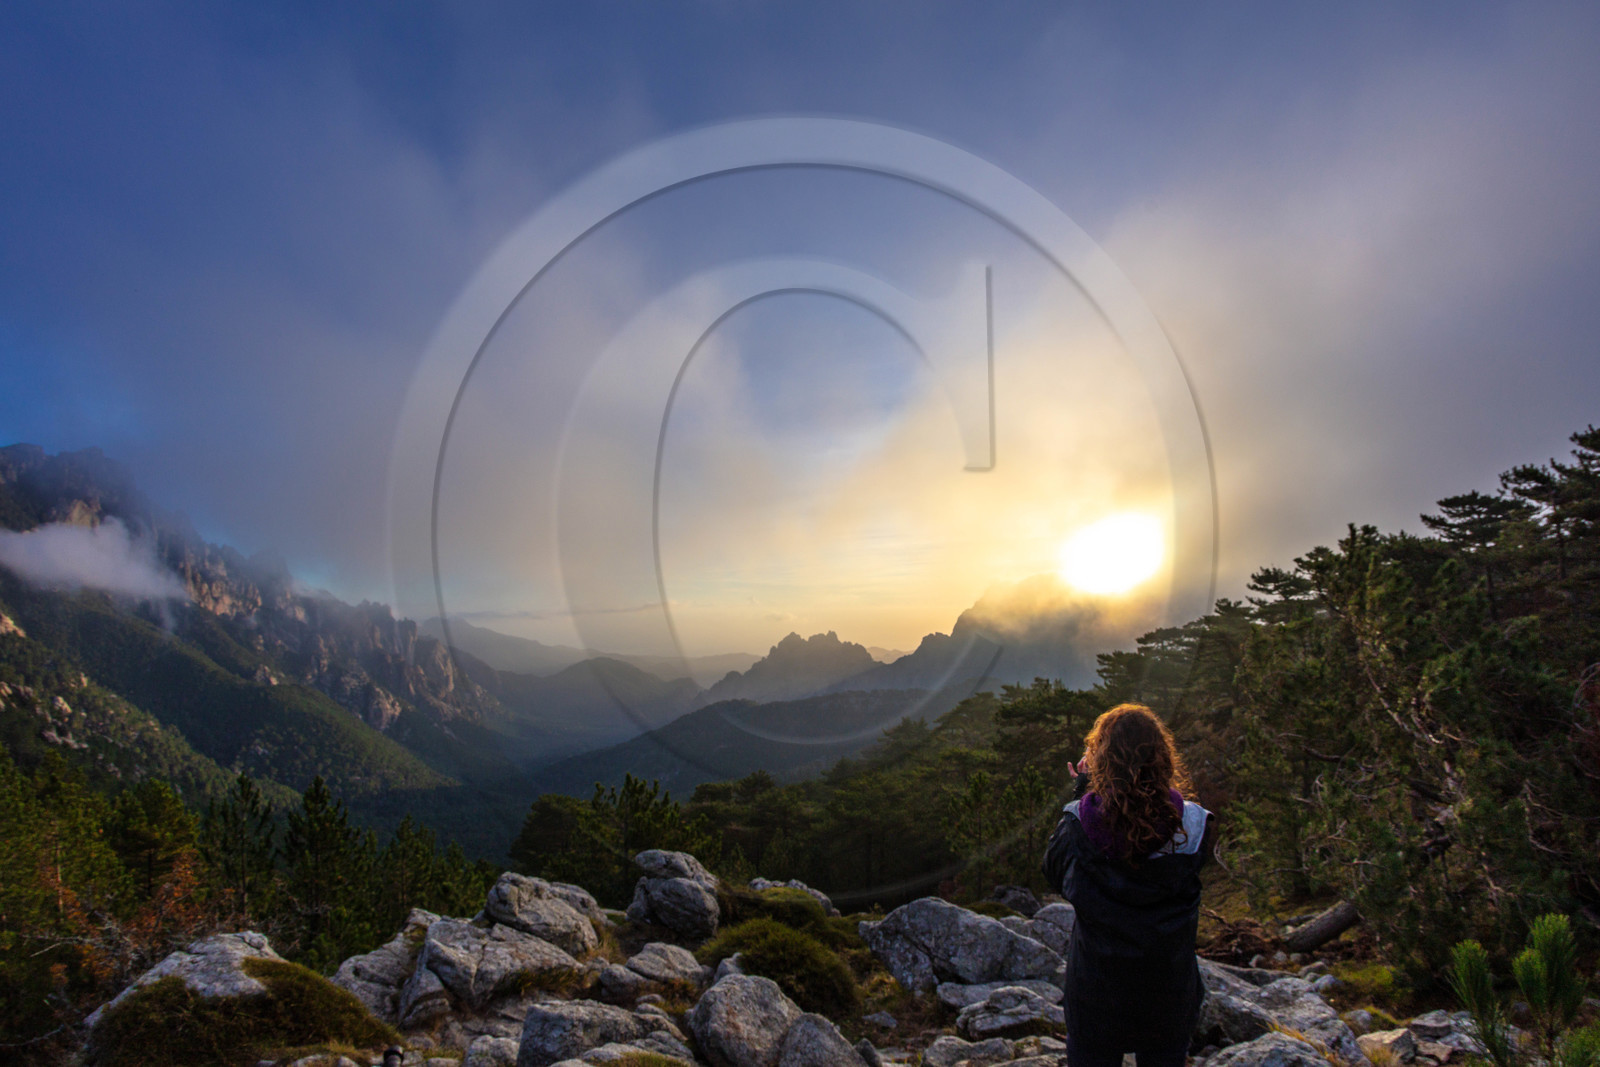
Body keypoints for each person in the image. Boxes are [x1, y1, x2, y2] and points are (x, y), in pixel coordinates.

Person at [1042, 703, 1217, 1067]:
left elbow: (1055, 872)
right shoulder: (1197, 827)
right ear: (1162, 758)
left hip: (1096, 997)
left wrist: (1084, 791)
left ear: (1102, 761)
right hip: (1169, 995)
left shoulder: (1077, 826)